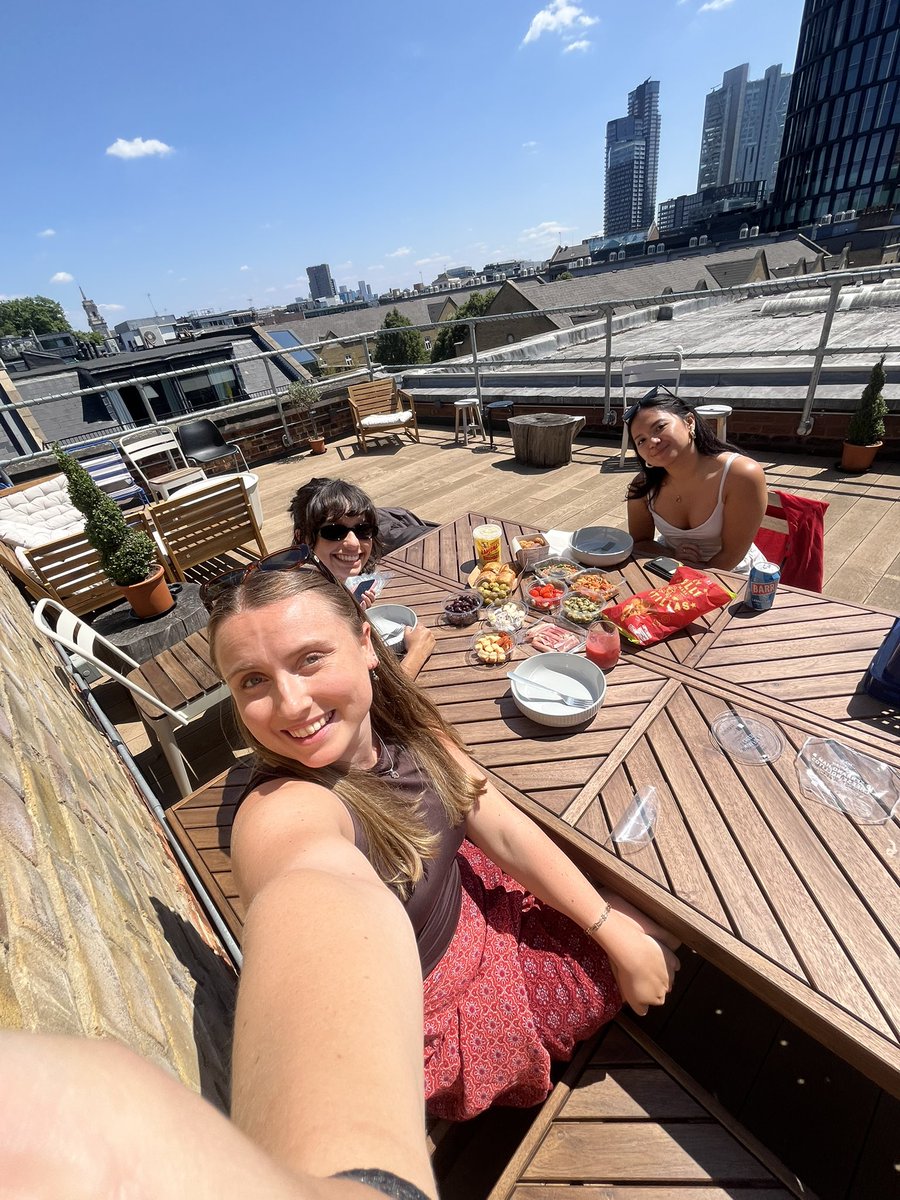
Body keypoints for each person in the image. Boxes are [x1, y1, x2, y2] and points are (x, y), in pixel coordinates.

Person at [206, 560, 681, 1122]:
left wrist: (607, 928)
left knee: (645, 920)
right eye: (252, 681)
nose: (289, 704)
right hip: (455, 1007)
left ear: (366, 644)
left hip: (482, 897)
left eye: (310, 659)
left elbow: (501, 827)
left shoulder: (405, 729)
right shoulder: (282, 811)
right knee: (662, 934)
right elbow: (302, 897)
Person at [289, 477, 434, 675]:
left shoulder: (319, 581)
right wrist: (417, 652)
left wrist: (352, 608)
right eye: (334, 531)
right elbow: (366, 702)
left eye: (363, 530)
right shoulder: (307, 610)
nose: (354, 544)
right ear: (302, 537)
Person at [625, 391, 768, 573]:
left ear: (689, 422)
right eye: (641, 440)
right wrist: (673, 556)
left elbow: (731, 554)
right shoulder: (643, 486)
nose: (652, 441)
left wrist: (691, 576)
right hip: (672, 569)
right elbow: (640, 543)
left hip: (734, 574)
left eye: (659, 427)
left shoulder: (740, 474)